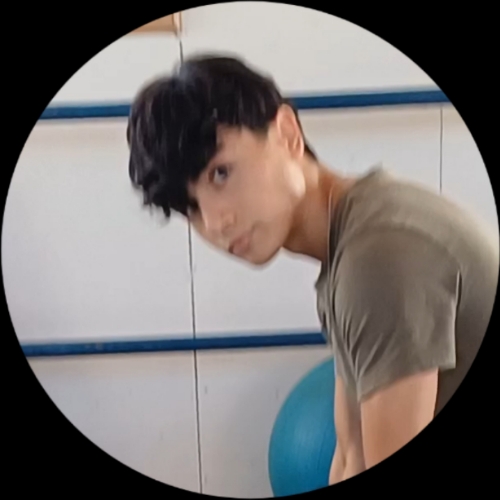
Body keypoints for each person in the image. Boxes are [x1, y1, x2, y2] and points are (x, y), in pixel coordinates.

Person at [126, 54, 498, 484]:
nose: (214, 221)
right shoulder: (349, 245)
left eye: (220, 173)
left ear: (287, 134)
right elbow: (352, 453)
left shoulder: (381, 254)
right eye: (191, 208)